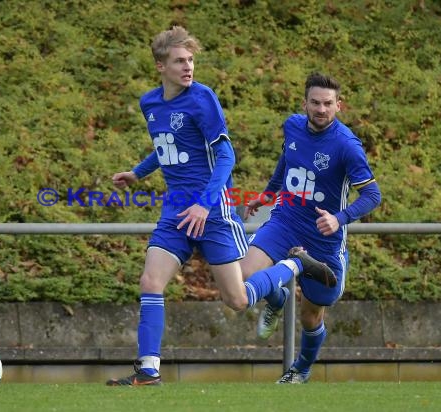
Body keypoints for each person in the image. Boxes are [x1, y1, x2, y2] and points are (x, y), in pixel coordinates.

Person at [106, 28, 337, 386]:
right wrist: (138, 173)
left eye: (191, 60)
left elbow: (226, 155)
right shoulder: (149, 104)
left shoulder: (202, 98)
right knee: (150, 280)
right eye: (180, 61)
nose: (188, 67)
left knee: (238, 299)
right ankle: (149, 370)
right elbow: (168, 145)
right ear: (160, 66)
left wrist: (204, 204)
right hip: (176, 211)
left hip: (213, 210)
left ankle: (290, 268)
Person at [241, 72, 382, 384]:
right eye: (315, 103)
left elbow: (373, 195)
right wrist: (267, 195)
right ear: (304, 103)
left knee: (310, 316)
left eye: (328, 104)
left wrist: (339, 218)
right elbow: (286, 163)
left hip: (323, 242)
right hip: (285, 221)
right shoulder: (292, 126)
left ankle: (301, 370)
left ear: (339, 105)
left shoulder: (347, 146)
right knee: (245, 273)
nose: (321, 109)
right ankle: (276, 301)